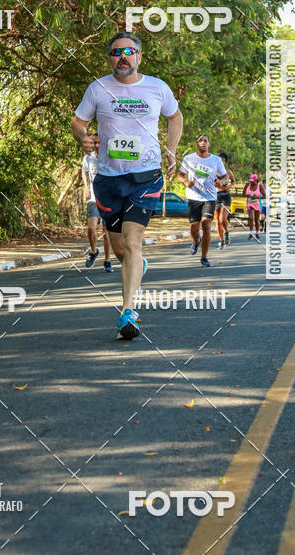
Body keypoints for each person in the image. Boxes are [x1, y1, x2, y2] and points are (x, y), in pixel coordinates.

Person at [71, 32, 183, 339]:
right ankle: (137, 266)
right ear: (109, 58)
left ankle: (128, 311)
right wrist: (85, 138)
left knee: (133, 242)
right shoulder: (98, 88)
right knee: (121, 250)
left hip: (146, 176)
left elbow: (176, 117)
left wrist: (171, 150)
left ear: (139, 57)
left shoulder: (157, 87)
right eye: (116, 52)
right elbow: (78, 122)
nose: (123, 56)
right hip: (109, 179)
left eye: (129, 51)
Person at [177, 135, 227, 267]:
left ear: (209, 144)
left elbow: (225, 175)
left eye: (205, 141)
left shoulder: (216, 160)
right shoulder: (188, 158)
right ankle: (196, 241)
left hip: (210, 197)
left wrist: (221, 182)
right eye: (200, 140)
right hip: (193, 197)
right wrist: (186, 182)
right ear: (197, 144)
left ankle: (204, 257)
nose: (203, 143)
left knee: (206, 225)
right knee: (194, 228)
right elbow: (180, 175)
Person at [82, 135, 113, 271]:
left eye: (100, 142)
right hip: (93, 198)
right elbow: (84, 172)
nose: (97, 145)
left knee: (107, 232)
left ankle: (107, 261)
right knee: (91, 228)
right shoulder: (88, 158)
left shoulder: (110, 158)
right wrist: (86, 187)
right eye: (95, 142)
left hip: (108, 199)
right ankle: (94, 251)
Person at [214, 151, 235, 250]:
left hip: (226, 196)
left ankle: (226, 232)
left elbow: (233, 181)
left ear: (225, 162)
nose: (220, 162)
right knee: (217, 221)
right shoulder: (212, 171)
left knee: (223, 219)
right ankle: (222, 241)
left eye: (222, 160)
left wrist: (230, 185)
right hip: (216, 196)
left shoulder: (228, 172)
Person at [242, 173, 265, 241]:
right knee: (251, 218)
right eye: (250, 180)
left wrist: (257, 197)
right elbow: (243, 193)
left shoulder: (259, 186)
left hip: (257, 204)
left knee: (256, 220)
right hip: (250, 204)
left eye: (252, 181)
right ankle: (251, 233)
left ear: (256, 180)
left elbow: (264, 195)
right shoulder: (247, 185)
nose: (251, 182)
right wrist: (249, 195)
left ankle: (257, 233)